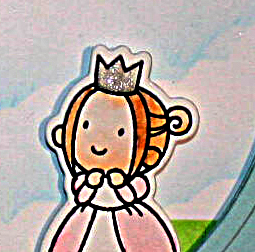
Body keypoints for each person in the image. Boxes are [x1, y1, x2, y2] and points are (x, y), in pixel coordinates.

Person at [45, 46, 196, 252]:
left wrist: (121, 186)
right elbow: (79, 194)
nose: (99, 142)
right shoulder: (84, 179)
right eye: (86, 126)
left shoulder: (133, 181)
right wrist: (91, 183)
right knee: (72, 242)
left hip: (129, 217)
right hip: (85, 217)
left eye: (120, 132)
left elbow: (137, 191)